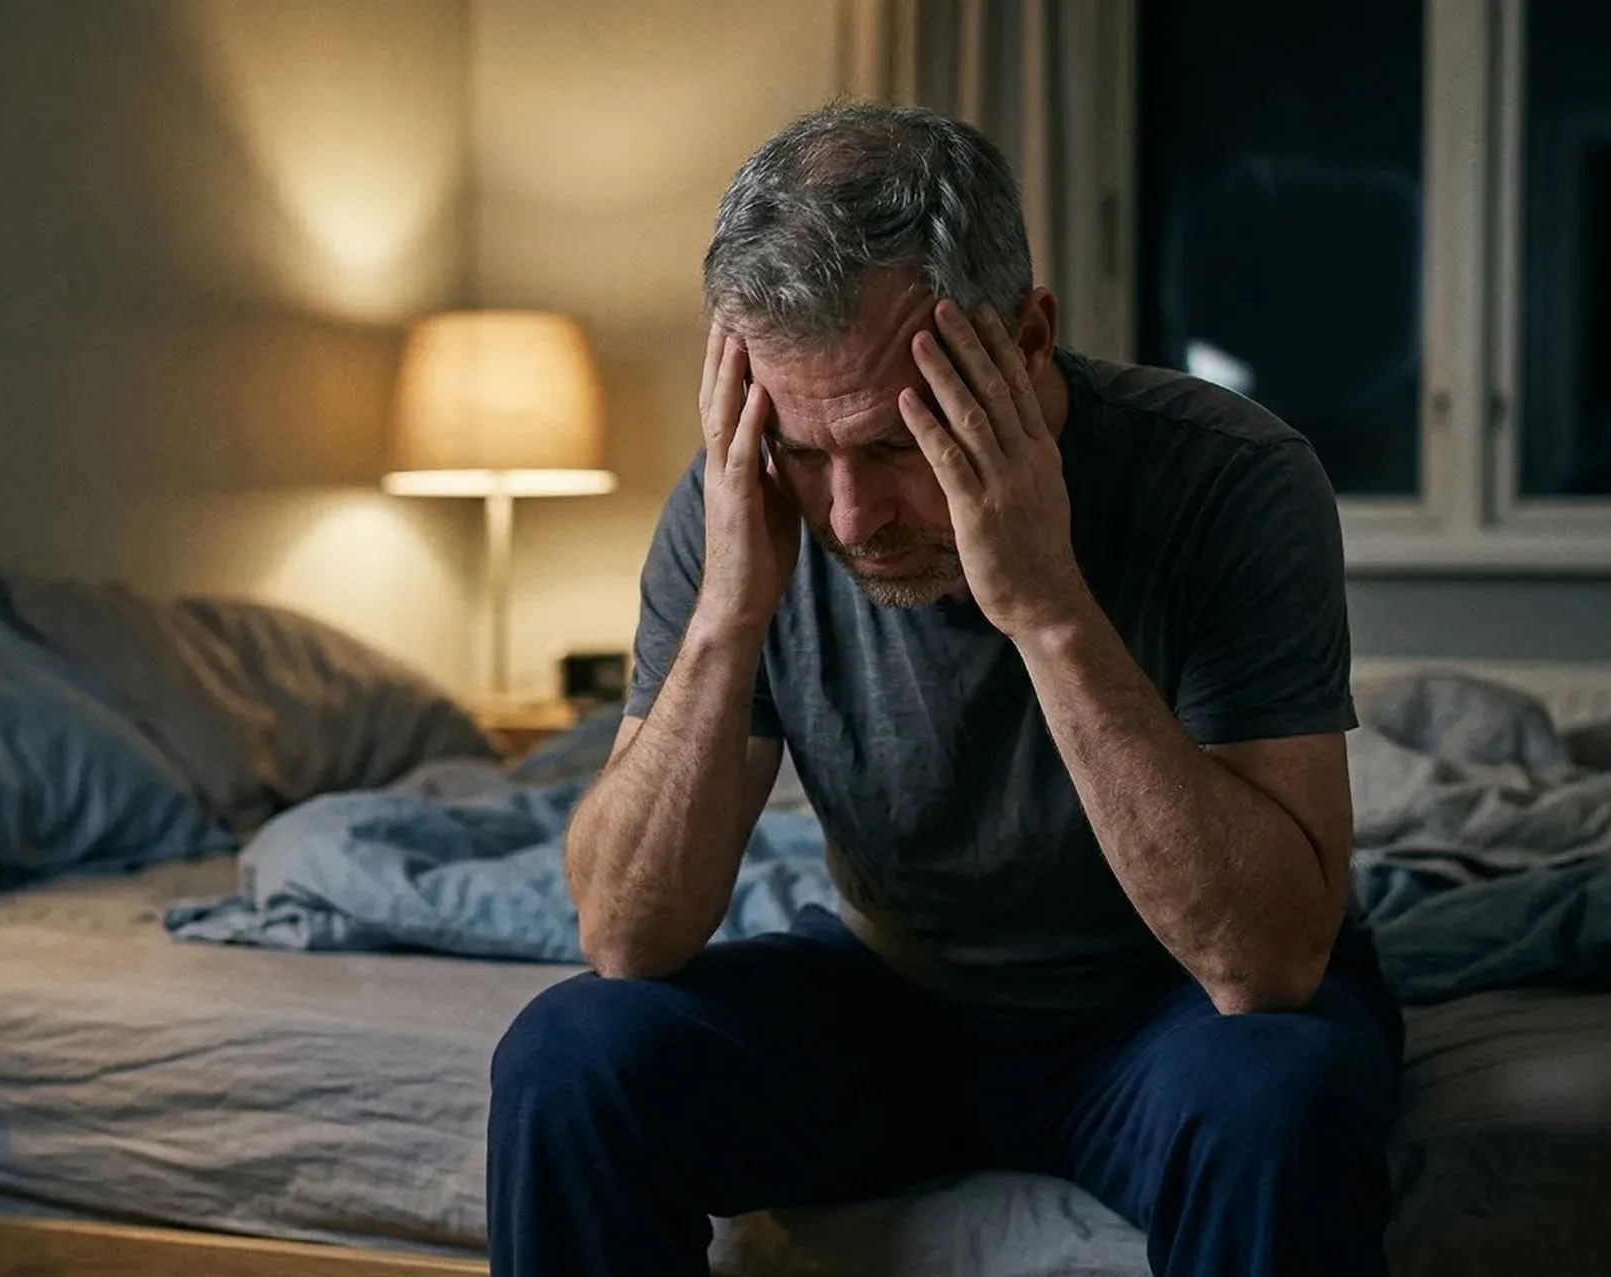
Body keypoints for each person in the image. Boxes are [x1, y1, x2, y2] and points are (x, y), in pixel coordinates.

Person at [487, 102, 1403, 1277]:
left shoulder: (1230, 479)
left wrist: (1047, 606)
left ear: (1027, 338)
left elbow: (1267, 960)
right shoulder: (736, 503)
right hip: (891, 997)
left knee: (1277, 1092)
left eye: (893, 444)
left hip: (1166, 1009)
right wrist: (728, 614)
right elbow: (625, 933)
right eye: (802, 449)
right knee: (566, 1054)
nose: (851, 517)